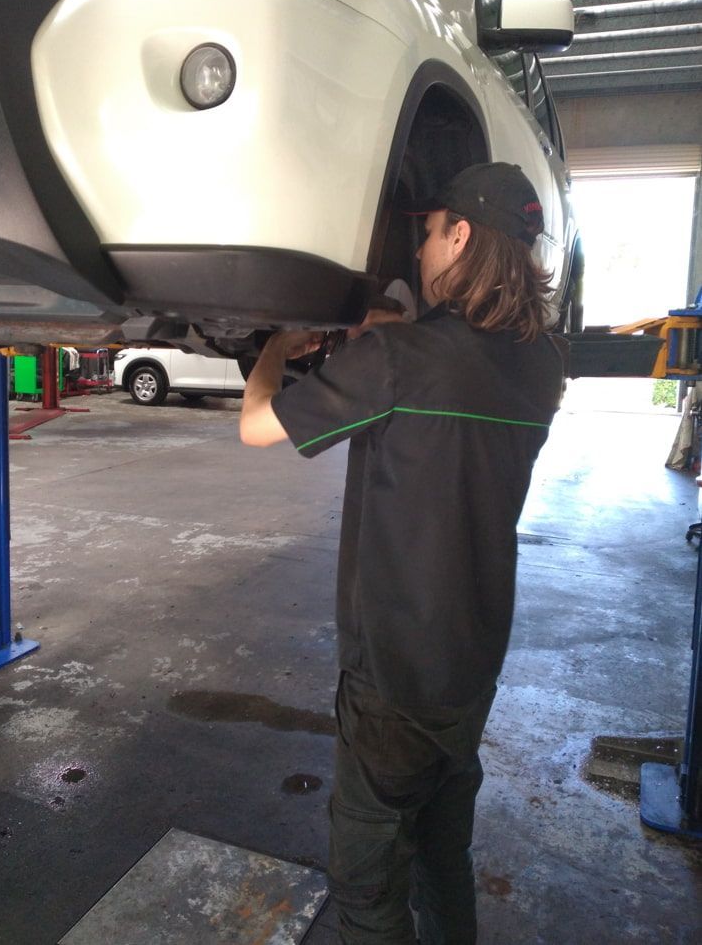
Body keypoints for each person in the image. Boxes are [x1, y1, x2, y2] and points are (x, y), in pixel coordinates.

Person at [239, 162, 565, 944]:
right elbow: (452, 363)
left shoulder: (395, 361)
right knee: (441, 855)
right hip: (471, 663)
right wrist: (385, 333)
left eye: (427, 234)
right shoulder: (542, 365)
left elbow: (255, 424)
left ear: (459, 234)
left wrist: (275, 346)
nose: (417, 251)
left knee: (366, 888)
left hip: (393, 675)